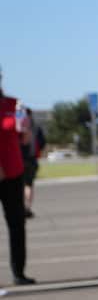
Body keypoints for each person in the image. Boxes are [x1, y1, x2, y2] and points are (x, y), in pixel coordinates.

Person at [0, 67, 35, 285]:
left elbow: (24, 140)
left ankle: (18, 272)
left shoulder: (13, 104)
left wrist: (26, 128)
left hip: (13, 172)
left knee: (16, 224)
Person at [20, 113, 44, 218]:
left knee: (20, 186)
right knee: (29, 185)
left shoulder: (19, 127)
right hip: (32, 160)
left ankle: (22, 207)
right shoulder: (36, 128)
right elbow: (42, 142)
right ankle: (28, 207)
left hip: (20, 160)